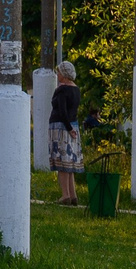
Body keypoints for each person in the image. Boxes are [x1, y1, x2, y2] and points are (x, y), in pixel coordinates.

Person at [48, 61, 83, 204]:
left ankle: (65, 195)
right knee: (69, 162)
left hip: (61, 128)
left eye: (59, 72)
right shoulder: (76, 89)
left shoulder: (62, 90)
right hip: (73, 127)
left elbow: (62, 111)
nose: (58, 75)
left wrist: (68, 128)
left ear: (64, 74)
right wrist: (72, 129)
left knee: (62, 162)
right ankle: (73, 195)